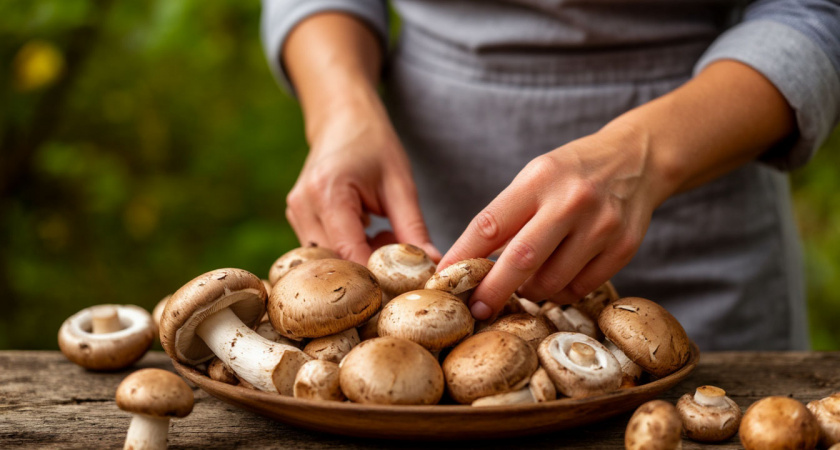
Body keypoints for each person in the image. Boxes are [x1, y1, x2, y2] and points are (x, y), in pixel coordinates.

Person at [260, 1, 840, 350]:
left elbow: (817, 13)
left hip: (698, 199)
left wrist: (649, 154)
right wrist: (342, 106)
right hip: (422, 205)